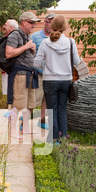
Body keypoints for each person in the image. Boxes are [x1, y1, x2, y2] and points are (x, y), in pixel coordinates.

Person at [34, 14, 80, 142]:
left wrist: (48, 67)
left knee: (52, 111)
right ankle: (63, 138)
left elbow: (37, 63)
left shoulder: (45, 42)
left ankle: (54, 140)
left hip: (50, 81)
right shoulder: (71, 42)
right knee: (62, 111)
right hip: (66, 80)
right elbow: (76, 61)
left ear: (53, 26)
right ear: (65, 27)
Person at [5, 11, 40, 135]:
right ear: (24, 22)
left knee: (30, 104)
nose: (34, 26)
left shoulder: (27, 36)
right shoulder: (15, 35)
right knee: (18, 104)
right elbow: (8, 53)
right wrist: (26, 47)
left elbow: (27, 56)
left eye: (35, 23)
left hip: (30, 75)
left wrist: (33, 50)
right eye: (32, 23)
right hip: (20, 75)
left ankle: (23, 127)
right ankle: (12, 130)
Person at [31, 13, 55, 130]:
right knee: (34, 99)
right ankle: (24, 122)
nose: (49, 24)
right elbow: (30, 54)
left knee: (46, 99)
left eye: (52, 22)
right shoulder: (35, 36)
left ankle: (42, 120)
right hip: (38, 73)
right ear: (44, 22)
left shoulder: (57, 37)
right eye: (48, 21)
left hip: (51, 75)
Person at [0, 19, 19, 96]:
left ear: (11, 27)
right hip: (7, 67)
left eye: (6, 25)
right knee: (8, 92)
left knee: (16, 91)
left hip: (16, 68)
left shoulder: (17, 37)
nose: (4, 27)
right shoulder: (5, 38)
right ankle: (10, 107)